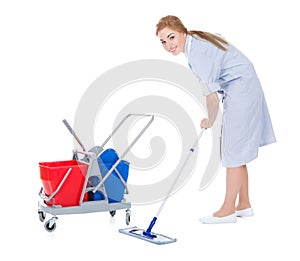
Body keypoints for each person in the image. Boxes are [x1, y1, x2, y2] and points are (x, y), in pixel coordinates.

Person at [156, 15, 276, 224]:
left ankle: (227, 210)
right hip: (244, 88)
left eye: (171, 37)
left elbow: (211, 98)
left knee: (233, 153)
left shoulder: (198, 53)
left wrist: (209, 120)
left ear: (182, 33)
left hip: (242, 91)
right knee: (238, 152)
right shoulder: (195, 43)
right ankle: (244, 204)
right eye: (163, 41)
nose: (168, 45)